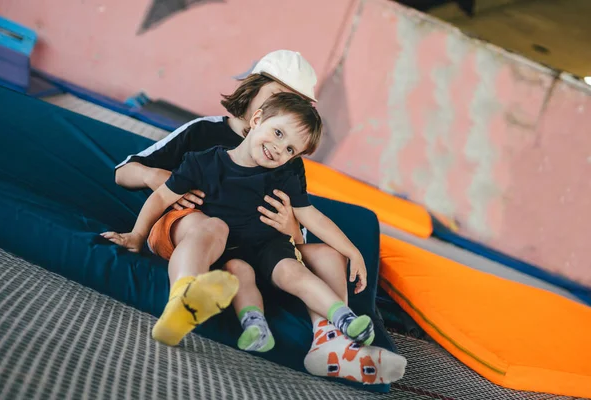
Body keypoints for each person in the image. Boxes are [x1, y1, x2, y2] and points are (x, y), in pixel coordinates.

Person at [111, 50, 406, 383]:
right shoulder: (205, 136)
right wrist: (155, 178)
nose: (281, 140)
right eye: (280, 98)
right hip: (194, 232)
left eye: (297, 107)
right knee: (211, 225)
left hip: (255, 247)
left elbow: (299, 229)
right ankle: (185, 295)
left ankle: (331, 342)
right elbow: (125, 172)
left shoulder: (285, 160)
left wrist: (292, 227)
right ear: (256, 94)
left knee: (327, 254)